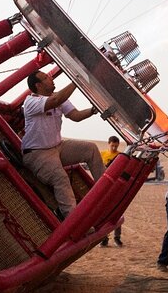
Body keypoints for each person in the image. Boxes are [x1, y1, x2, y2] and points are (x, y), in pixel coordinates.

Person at [21, 71, 105, 219]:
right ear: (38, 85)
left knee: (90, 149)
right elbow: (56, 100)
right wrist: (77, 79)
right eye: (46, 77)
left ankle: (104, 191)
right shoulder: (31, 102)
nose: (51, 78)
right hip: (37, 154)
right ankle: (73, 220)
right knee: (61, 178)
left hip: (57, 148)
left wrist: (93, 110)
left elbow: (75, 116)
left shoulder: (59, 98)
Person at [99, 135, 123, 246]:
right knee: (102, 213)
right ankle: (104, 238)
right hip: (103, 187)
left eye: (116, 146)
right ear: (108, 143)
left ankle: (117, 237)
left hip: (115, 187)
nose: (114, 148)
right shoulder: (102, 154)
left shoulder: (120, 156)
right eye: (112, 146)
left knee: (117, 212)